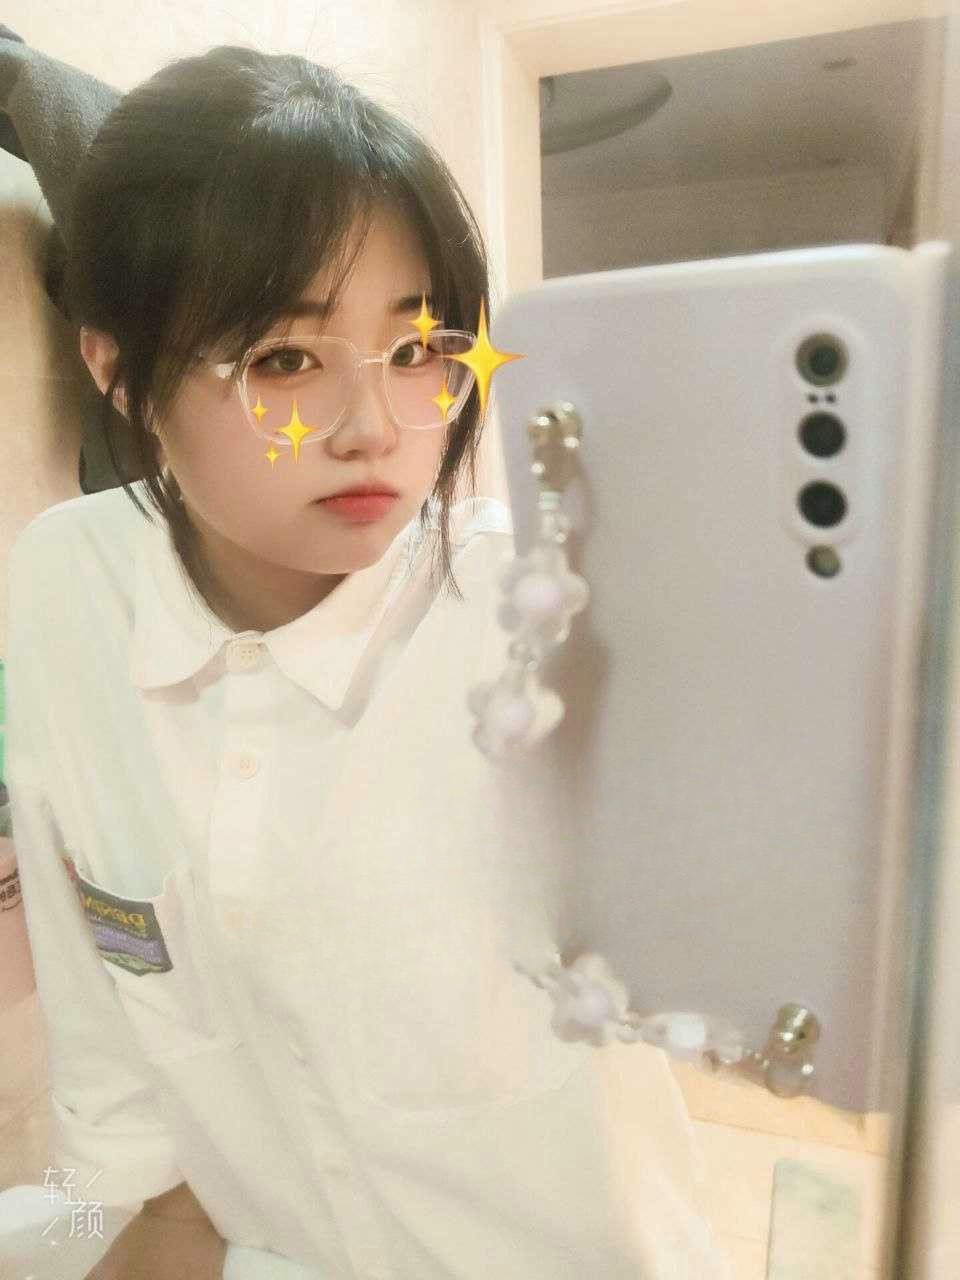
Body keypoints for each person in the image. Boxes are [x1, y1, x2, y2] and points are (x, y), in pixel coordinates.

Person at [4, 45, 732, 1280]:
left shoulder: (539, 616)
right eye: (283, 361)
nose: (376, 427)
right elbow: (101, 984)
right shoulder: (67, 586)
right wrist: (147, 1213)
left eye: (417, 349)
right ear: (117, 372)